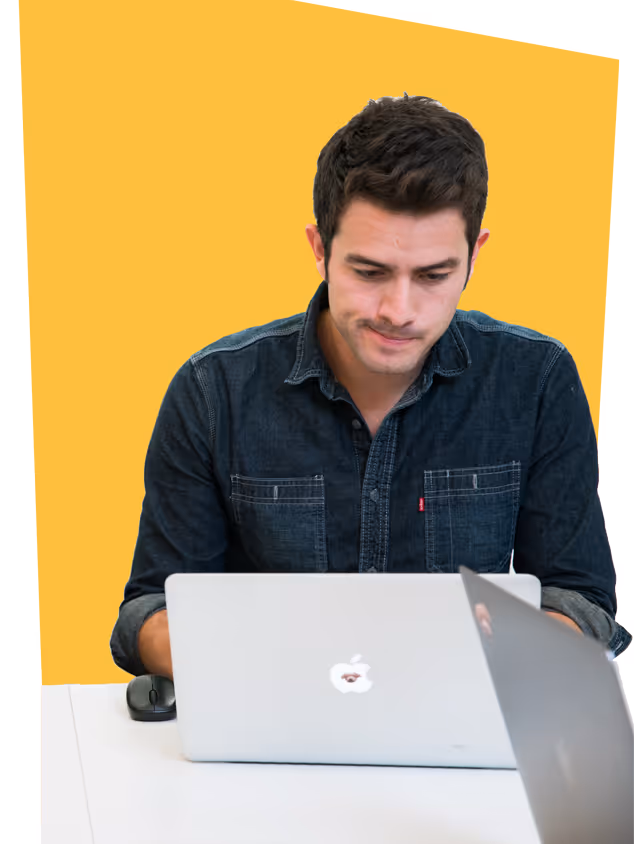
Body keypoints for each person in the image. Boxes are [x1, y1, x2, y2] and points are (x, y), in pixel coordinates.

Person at [110, 94, 631, 679]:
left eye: (434, 276)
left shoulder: (536, 381)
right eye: (369, 272)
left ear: (473, 256)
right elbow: (150, 613)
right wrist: (263, 670)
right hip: (273, 725)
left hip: (460, 732)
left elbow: (579, 600)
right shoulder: (214, 391)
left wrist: (481, 668)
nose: (398, 310)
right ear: (319, 249)